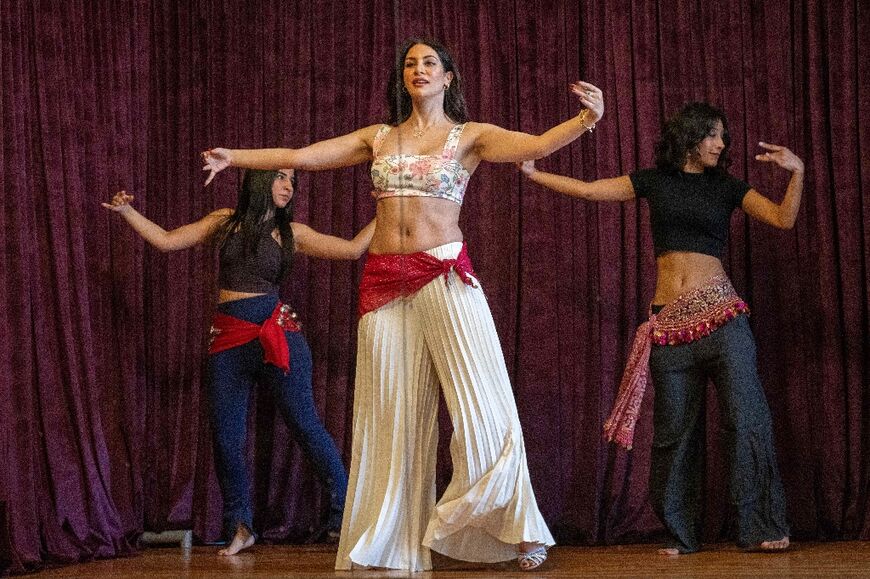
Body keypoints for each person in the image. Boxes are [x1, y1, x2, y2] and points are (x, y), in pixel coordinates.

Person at [201, 38, 603, 571]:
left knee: (482, 401)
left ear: (448, 78)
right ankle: (389, 539)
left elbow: (534, 144)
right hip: (385, 281)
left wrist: (584, 120)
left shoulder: (469, 136)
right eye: (411, 64)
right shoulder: (379, 137)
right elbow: (302, 156)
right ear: (404, 78)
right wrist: (236, 158)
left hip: (442, 269)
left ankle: (515, 526)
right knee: (387, 412)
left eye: (429, 63)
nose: (419, 69)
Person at [518, 102, 801, 555]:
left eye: (722, 137)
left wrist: (797, 173)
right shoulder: (653, 181)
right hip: (669, 327)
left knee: (747, 420)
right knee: (673, 434)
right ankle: (680, 534)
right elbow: (591, 191)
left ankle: (762, 526)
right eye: (713, 135)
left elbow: (783, 219)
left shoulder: (727, 187)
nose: (721, 144)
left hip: (723, 320)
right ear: (691, 136)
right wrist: (536, 175)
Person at [103, 168, 376, 556]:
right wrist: (128, 213)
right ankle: (241, 526)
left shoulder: (292, 233)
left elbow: (351, 249)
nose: (288, 187)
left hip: (278, 335)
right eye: (281, 178)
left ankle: (347, 511)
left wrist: (387, 207)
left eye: (293, 182)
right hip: (229, 340)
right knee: (226, 436)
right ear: (259, 181)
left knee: (304, 424)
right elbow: (166, 241)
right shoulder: (224, 222)